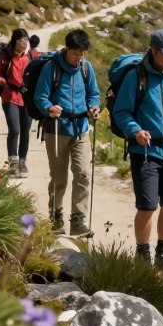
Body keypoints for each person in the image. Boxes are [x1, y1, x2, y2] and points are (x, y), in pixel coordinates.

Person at [112, 29, 163, 275]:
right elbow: (121, 111)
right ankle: (142, 256)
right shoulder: (136, 77)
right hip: (144, 151)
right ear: (153, 51)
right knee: (147, 205)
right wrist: (135, 130)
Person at [34, 29, 102, 237]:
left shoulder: (86, 69)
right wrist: (49, 109)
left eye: (82, 54)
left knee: (82, 172)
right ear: (67, 49)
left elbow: (94, 93)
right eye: (76, 53)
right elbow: (40, 97)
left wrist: (93, 106)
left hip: (81, 128)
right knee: (59, 178)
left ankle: (78, 220)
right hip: (56, 130)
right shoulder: (51, 69)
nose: (79, 58)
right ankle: (56, 215)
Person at [0, 28, 34, 178]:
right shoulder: (4, 57)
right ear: (14, 40)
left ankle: (22, 162)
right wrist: (2, 81)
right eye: (21, 39)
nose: (24, 42)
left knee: (25, 132)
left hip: (26, 99)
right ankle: (13, 163)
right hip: (9, 97)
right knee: (15, 129)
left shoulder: (29, 58)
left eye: (26, 40)